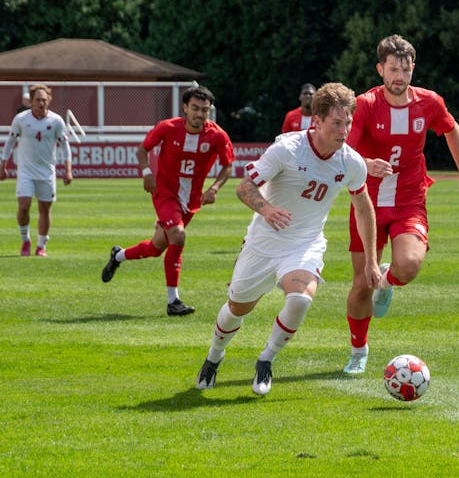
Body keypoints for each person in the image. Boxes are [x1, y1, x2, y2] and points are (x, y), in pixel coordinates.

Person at [195, 82, 380, 395]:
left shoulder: (351, 162)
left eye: (347, 122)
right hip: (263, 243)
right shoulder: (287, 149)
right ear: (316, 121)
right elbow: (244, 188)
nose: (344, 130)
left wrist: (372, 261)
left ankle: (266, 360)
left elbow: (364, 210)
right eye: (337, 123)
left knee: (299, 299)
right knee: (237, 308)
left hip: (304, 245)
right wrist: (266, 210)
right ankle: (214, 356)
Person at [342, 34, 459, 375]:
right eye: (392, 70)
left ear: (412, 69)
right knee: (361, 284)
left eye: (404, 69)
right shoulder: (366, 104)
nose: (398, 76)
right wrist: (366, 164)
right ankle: (359, 352)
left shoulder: (429, 102)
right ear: (380, 70)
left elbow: (451, 129)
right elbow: (347, 151)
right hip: (367, 201)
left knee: (410, 264)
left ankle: (386, 281)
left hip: (409, 199)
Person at [101, 85, 234, 316]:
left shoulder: (217, 135)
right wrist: (146, 173)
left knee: (156, 248)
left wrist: (214, 187)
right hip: (165, 192)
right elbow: (143, 150)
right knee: (178, 236)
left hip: (190, 199)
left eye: (204, 110)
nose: (199, 114)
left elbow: (228, 166)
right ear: (185, 107)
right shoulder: (168, 127)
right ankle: (173, 301)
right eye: (195, 108)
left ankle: (118, 255)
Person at [0, 84, 73, 256]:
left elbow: (65, 145)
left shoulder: (56, 121)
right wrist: (3, 164)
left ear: (49, 101)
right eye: (38, 100)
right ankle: (25, 240)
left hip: (47, 172)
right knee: (24, 206)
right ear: (31, 101)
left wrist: (68, 169)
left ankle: (41, 245)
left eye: (44, 100)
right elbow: (10, 142)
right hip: (25, 172)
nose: (42, 103)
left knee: (45, 209)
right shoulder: (21, 119)